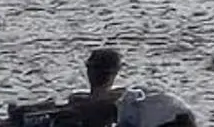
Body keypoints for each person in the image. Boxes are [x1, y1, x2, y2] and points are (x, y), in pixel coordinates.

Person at [58, 46, 197, 126]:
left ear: (88, 70)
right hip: (179, 115)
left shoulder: (107, 103)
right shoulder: (132, 95)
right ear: (117, 71)